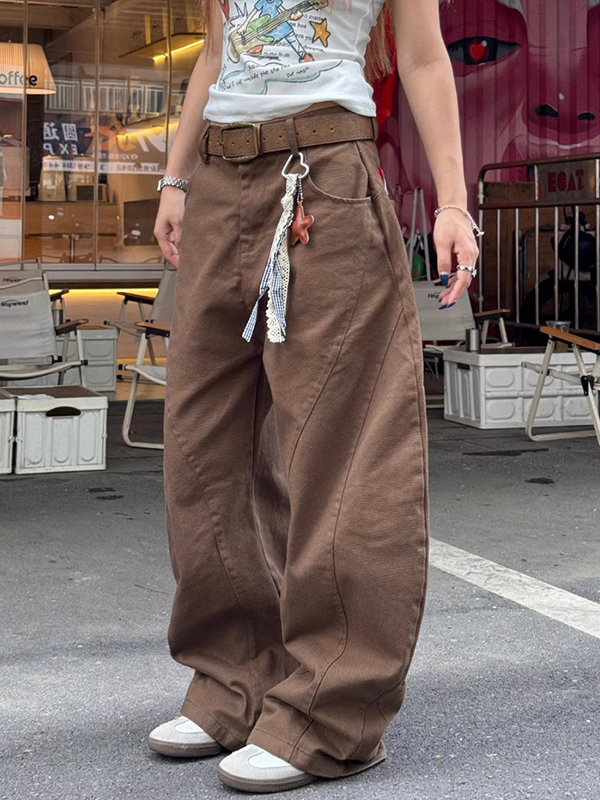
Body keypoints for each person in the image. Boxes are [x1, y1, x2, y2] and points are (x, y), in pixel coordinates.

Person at [150, 0, 479, 793]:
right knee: (202, 442)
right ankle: (234, 680)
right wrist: (175, 178)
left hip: (323, 176)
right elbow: (215, 53)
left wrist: (452, 201)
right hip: (220, 179)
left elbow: (424, 57)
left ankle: (335, 710)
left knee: (344, 443)